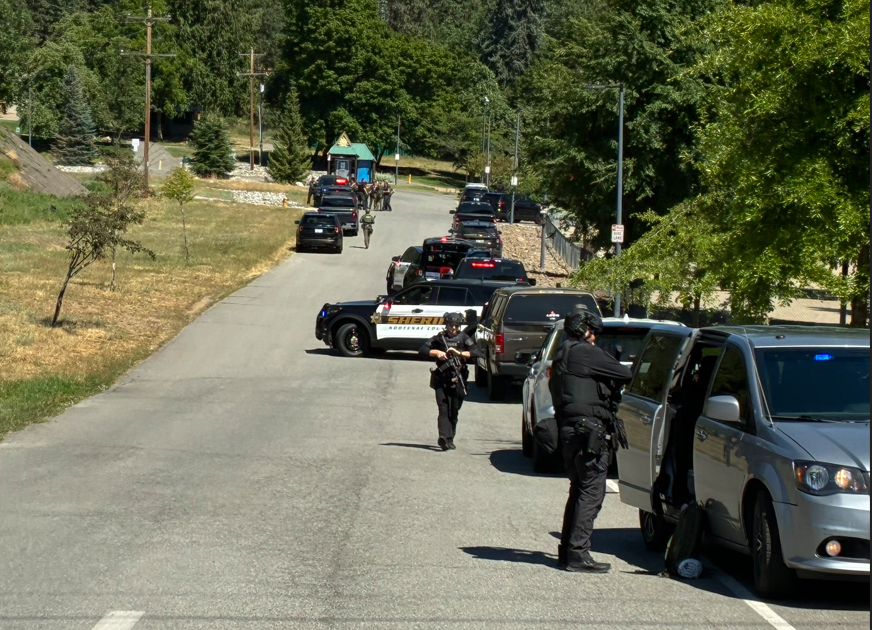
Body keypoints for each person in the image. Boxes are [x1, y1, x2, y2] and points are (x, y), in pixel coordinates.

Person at [549, 309, 632, 573]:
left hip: (569, 430)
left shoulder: (562, 352)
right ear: (585, 330)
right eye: (593, 333)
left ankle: (567, 552)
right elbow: (625, 373)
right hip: (588, 431)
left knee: (579, 489)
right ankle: (577, 554)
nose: (595, 337)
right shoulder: (585, 351)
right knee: (592, 492)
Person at [419, 312, 481, 451]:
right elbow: (422, 349)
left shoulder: (464, 338)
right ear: (446, 325)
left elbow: (477, 352)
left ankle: (450, 437)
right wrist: (437, 353)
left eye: (456, 326)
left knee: (454, 410)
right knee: (443, 409)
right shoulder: (439, 338)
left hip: (458, 379)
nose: (453, 328)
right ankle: (443, 437)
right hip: (441, 379)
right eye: (451, 325)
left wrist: (459, 353)